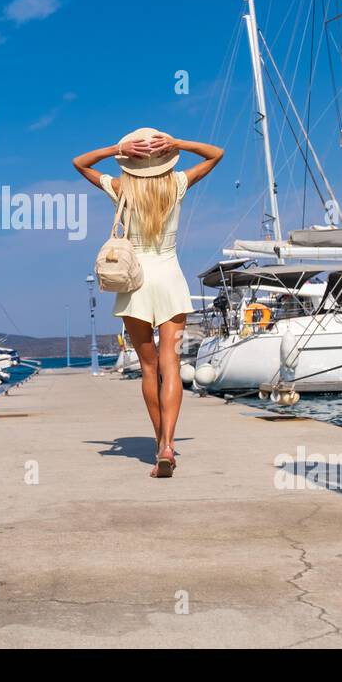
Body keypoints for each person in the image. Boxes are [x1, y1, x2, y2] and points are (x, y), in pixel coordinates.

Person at [72, 129, 223, 478]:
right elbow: (216, 154)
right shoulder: (178, 184)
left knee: (148, 367)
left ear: (132, 160)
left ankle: (159, 446)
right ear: (165, 158)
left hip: (135, 282)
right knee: (171, 362)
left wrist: (115, 148)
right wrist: (180, 144)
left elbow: (79, 163)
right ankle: (169, 444)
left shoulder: (121, 188)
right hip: (170, 278)